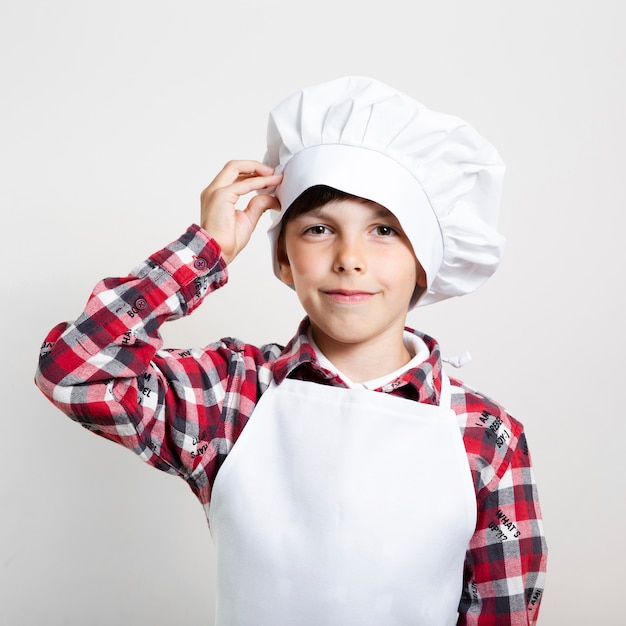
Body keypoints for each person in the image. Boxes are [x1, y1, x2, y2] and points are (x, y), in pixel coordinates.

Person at [35, 76, 547, 625]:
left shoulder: (485, 434)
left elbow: (503, 613)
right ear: (283, 260)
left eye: (383, 231)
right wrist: (206, 250)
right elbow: (74, 372)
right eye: (319, 229)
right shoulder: (230, 395)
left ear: (425, 260)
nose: (350, 258)